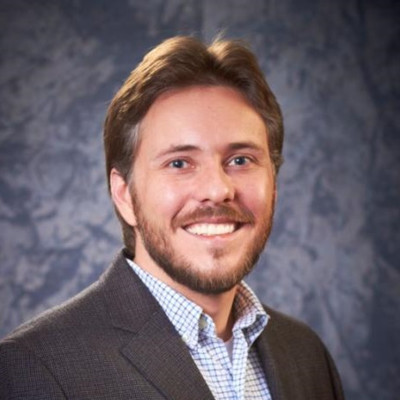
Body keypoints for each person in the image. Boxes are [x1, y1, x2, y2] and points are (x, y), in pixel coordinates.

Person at [0, 36, 344, 400]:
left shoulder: (306, 355)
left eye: (240, 160)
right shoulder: (31, 370)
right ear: (125, 195)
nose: (218, 189)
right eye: (179, 163)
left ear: (273, 183)